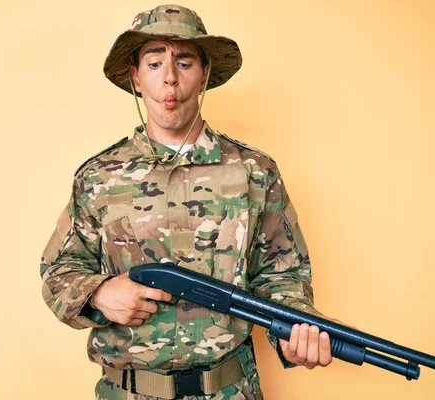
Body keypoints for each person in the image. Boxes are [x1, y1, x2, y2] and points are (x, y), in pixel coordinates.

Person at [40, 5, 332, 399]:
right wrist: (98, 292)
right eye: (155, 63)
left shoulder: (254, 171)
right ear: (136, 79)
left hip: (231, 391)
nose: (170, 78)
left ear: (205, 74)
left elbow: (283, 273)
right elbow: (59, 271)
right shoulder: (98, 176)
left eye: (184, 61)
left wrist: (299, 328)